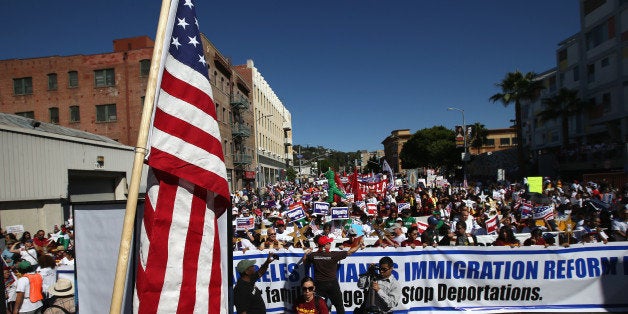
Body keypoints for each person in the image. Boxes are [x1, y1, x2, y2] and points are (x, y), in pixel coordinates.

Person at [303, 235, 363, 314]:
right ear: (325, 245)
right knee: (339, 306)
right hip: (332, 285)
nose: (330, 244)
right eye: (329, 243)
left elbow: (304, 262)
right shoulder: (333, 255)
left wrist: (306, 253)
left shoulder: (313, 255)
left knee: (318, 307)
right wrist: (359, 245)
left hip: (319, 285)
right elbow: (350, 251)